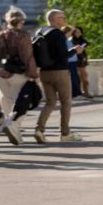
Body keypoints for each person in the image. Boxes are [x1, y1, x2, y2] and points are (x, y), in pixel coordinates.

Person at [0, 8, 37, 142]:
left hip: (0, 74)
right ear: (22, 20)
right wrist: (33, 74)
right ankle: (14, 126)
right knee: (22, 102)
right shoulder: (24, 36)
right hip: (18, 73)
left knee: (6, 100)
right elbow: (27, 56)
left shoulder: (1, 35)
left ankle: (14, 131)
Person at [32, 8, 75, 143]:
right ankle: (65, 134)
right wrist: (74, 50)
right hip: (60, 72)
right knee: (66, 102)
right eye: (62, 17)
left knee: (50, 102)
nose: (64, 20)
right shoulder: (58, 34)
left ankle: (39, 129)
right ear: (55, 19)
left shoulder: (39, 32)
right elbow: (62, 55)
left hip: (44, 72)